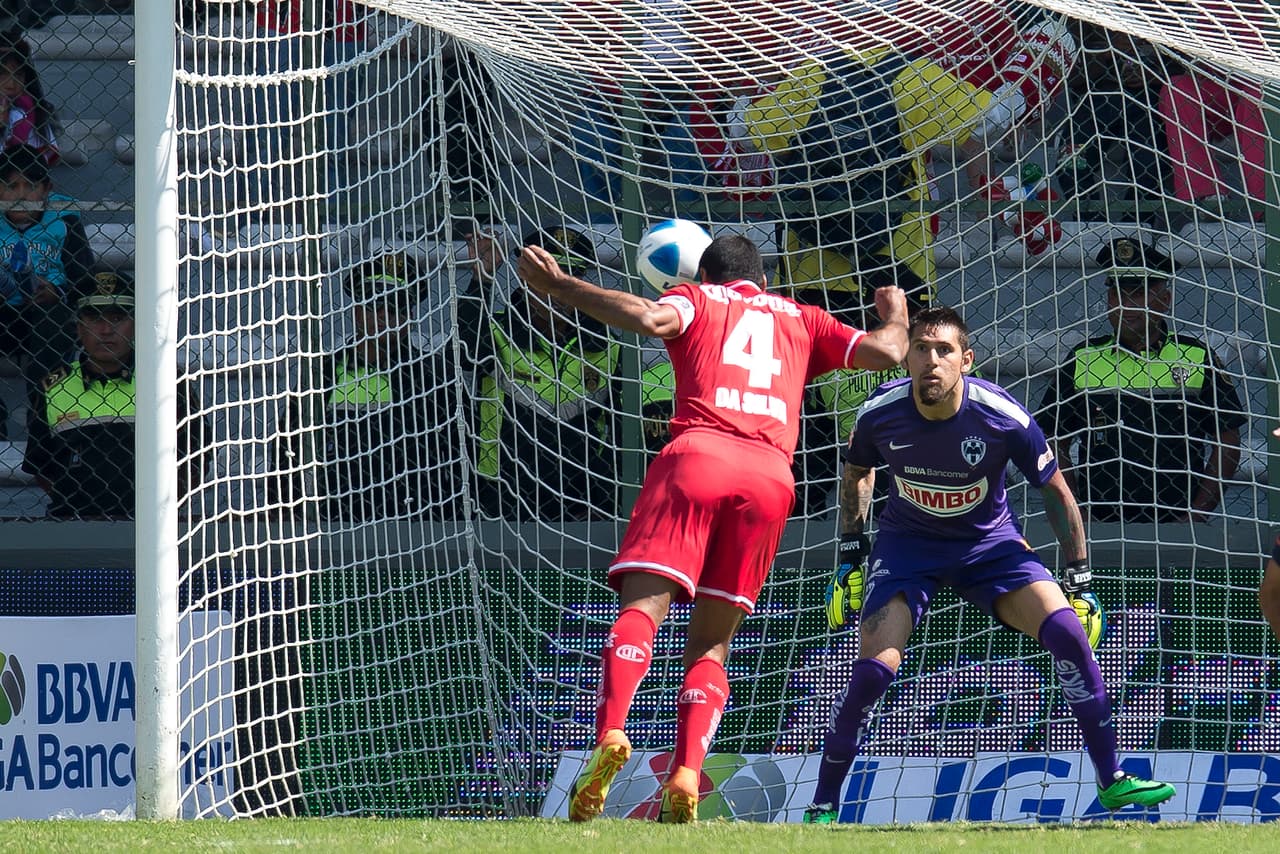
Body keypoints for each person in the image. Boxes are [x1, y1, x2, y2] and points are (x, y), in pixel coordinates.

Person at [515, 232, 910, 823]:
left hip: (697, 456)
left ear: (705, 277)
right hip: (771, 479)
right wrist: (898, 315)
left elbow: (649, 317)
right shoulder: (802, 317)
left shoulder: (697, 301)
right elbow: (886, 354)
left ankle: (612, 732)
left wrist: (561, 286)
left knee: (642, 610)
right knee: (711, 644)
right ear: (764, 281)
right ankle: (687, 771)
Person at [807, 305, 1175, 824]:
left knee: (1068, 632)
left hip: (990, 547)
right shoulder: (879, 412)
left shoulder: (1002, 416)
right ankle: (823, 805)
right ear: (906, 358)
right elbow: (859, 473)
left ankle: (1112, 779)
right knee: (874, 670)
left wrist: (1081, 581)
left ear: (967, 360)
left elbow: (1056, 493)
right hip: (907, 547)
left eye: (944, 351)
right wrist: (850, 556)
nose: (931, 361)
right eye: (921, 349)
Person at [1037, 237, 1243, 523]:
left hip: (1178, 526)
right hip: (1100, 523)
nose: (1125, 304)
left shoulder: (1195, 356)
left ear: (1165, 300)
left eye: (1138, 293)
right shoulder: (1083, 357)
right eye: (1117, 294)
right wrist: (1076, 509)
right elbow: (1051, 437)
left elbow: (1228, 438)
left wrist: (1197, 513)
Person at [22, 271, 205, 519]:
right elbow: (42, 465)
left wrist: (162, 507)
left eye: (117, 317)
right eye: (94, 318)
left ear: (136, 324)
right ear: (78, 328)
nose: (106, 330)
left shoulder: (167, 381)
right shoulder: (53, 386)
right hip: (72, 522)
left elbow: (197, 454)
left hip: (152, 522)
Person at [474, 225, 622, 521]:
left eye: (570, 277)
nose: (557, 290)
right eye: (547, 277)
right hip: (504, 492)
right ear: (524, 276)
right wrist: (482, 279)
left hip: (588, 498)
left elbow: (619, 426)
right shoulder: (496, 330)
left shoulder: (607, 344)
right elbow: (466, 350)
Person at [1055, 27, 1179, 224]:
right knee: (1068, 162)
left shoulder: (1162, 10)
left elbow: (1187, 65)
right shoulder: (1080, 12)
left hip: (1148, 99)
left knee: (1148, 166)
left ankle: (1134, 232)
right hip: (1095, 99)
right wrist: (1107, 50)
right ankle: (1092, 226)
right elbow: (1071, 76)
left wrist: (1153, 73)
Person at [0, 143, 95, 399]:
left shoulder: (64, 218)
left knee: (57, 324)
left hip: (48, 311)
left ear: (46, 189)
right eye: (10, 187)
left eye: (31, 187)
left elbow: (84, 279)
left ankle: (43, 415)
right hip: (4, 312)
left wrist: (57, 292)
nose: (21, 196)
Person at [0, 32, 58, 162]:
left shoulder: (32, 114)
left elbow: (41, 167)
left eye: (19, 75)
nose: (11, 84)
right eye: (2, 74)